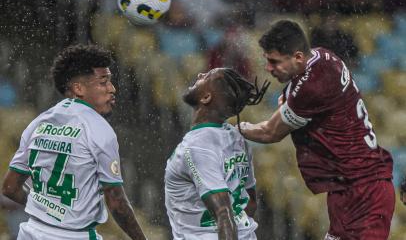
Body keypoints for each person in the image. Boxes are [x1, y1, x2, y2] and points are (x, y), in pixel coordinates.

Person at [240, 20, 394, 240]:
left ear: (298, 57)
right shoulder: (322, 56)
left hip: (364, 192)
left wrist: (234, 129)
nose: (269, 68)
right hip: (349, 187)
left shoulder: (312, 85)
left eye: (274, 62)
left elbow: (270, 132)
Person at [2, 44, 147, 240]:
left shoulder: (38, 123)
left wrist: (47, 209)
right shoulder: (99, 129)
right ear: (79, 88)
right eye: (103, 82)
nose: (112, 89)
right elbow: (116, 200)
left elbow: (9, 188)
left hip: (32, 232)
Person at [164, 67, 269, 240]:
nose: (199, 75)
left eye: (205, 77)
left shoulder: (197, 146)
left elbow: (223, 213)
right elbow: (250, 203)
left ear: (206, 97)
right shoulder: (238, 138)